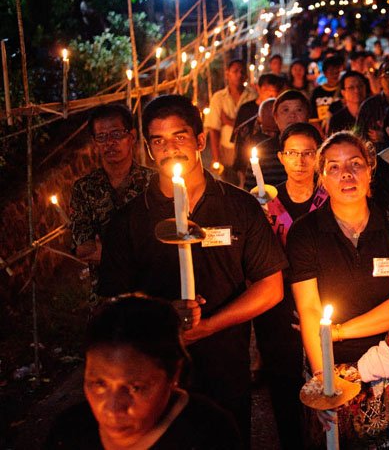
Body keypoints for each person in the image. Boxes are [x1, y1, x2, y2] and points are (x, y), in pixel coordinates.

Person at [98, 95, 288, 443]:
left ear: (201, 140)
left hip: (226, 370)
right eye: (158, 141)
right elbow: (112, 301)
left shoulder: (239, 206)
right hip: (155, 376)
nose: (170, 149)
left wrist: (209, 326)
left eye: (179, 137)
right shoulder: (130, 220)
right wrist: (160, 316)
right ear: (149, 149)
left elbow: (271, 286)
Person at [287, 131, 389, 447]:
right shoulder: (305, 233)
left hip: (382, 360)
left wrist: (336, 331)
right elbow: (309, 309)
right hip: (328, 363)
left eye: (355, 164)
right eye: (333, 167)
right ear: (321, 178)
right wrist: (324, 384)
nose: (346, 174)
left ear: (370, 168)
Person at [46, 295, 242, 449]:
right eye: (99, 384)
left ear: (173, 375)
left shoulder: (209, 434)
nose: (112, 409)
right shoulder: (69, 432)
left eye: (135, 387)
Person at [255, 122, 327, 450]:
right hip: (279, 307)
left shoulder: (332, 198)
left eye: (308, 153)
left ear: (319, 156)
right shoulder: (266, 203)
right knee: (284, 386)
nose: (300, 161)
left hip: (326, 299)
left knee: (329, 380)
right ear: (281, 157)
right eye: (293, 153)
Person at [69, 105, 153, 308]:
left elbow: (165, 246)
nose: (110, 143)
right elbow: (84, 249)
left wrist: (107, 253)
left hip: (151, 292)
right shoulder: (84, 188)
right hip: (104, 296)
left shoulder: (155, 183)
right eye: (102, 137)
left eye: (116, 134)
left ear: (131, 136)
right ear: (95, 143)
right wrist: (139, 252)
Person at [242, 90, 311, 192]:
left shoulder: (319, 149)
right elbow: (251, 191)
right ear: (276, 117)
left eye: (299, 110)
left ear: (308, 115)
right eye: (285, 110)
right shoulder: (262, 151)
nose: (292, 115)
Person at [204, 60, 258, 179]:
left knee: (247, 181)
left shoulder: (253, 96)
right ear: (227, 74)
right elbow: (214, 129)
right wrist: (216, 157)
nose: (239, 74)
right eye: (235, 71)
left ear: (246, 76)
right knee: (227, 183)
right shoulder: (218, 98)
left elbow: (253, 125)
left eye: (242, 72)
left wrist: (228, 121)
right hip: (226, 149)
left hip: (246, 148)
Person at [231, 73, 287, 187]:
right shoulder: (246, 109)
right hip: (249, 162)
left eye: (274, 91)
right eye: (267, 90)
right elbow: (239, 138)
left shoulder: (282, 110)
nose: (271, 94)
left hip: (275, 167)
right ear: (259, 88)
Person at [327, 70, 368, 135]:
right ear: (343, 92)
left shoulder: (374, 113)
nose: (356, 90)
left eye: (360, 86)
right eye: (351, 88)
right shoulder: (337, 120)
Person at [309, 54, 344, 122]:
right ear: (325, 73)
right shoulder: (317, 92)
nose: (334, 75)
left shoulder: (344, 90)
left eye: (337, 72)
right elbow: (313, 118)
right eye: (331, 72)